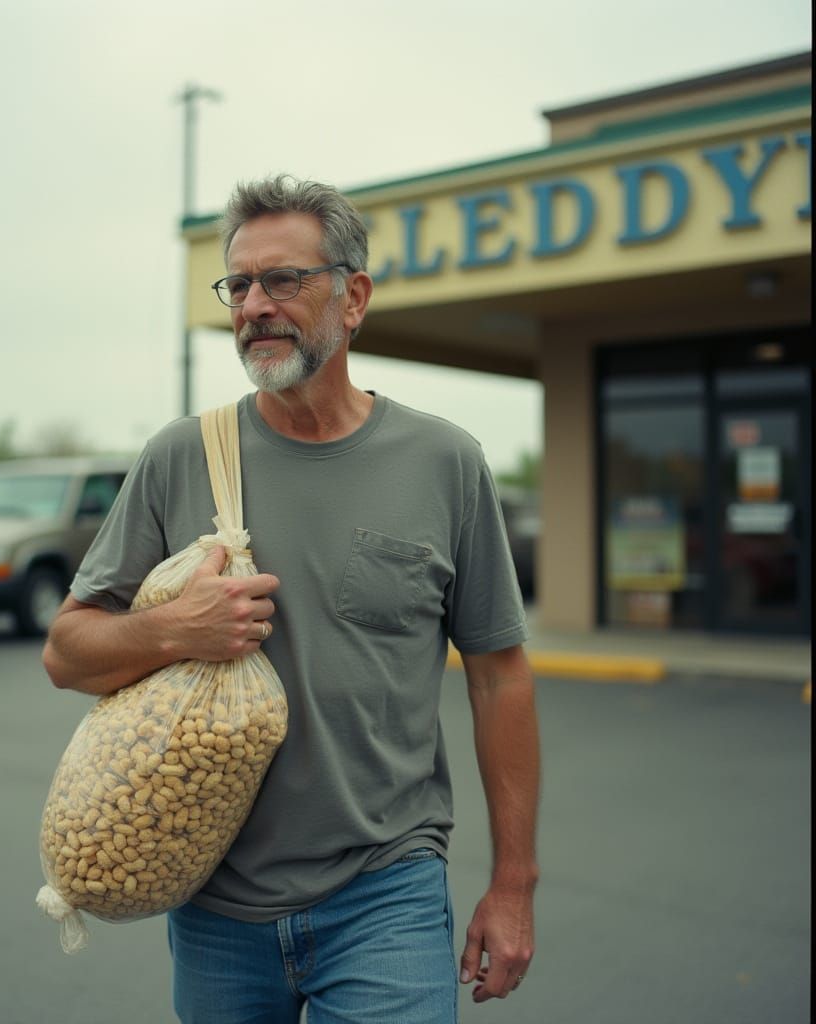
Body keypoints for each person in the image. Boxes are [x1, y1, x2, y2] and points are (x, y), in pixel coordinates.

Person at [43, 174, 541, 1023]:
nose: (254, 305)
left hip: (387, 888)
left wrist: (513, 886)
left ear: (353, 297)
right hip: (215, 905)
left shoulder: (444, 462)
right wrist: (175, 630)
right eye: (238, 284)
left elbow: (499, 677)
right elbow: (67, 651)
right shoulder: (180, 456)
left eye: (283, 280)